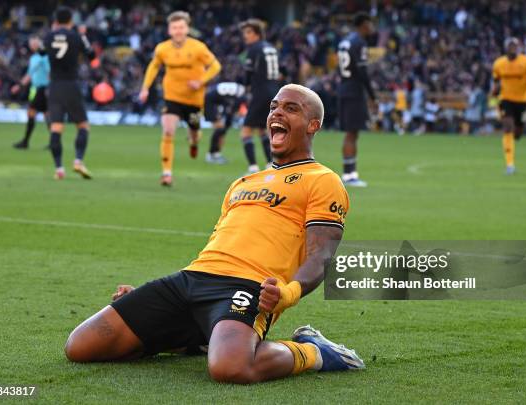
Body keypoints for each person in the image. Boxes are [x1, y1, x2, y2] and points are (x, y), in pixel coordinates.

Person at [64, 84, 364, 383]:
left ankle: (313, 352)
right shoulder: (242, 182)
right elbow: (220, 245)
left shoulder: (323, 180)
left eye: (291, 108)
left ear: (313, 125)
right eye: (274, 106)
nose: (277, 113)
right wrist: (147, 302)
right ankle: (195, 337)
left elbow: (322, 254)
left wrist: (289, 293)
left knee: (230, 368)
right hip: (192, 279)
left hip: (249, 286)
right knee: (81, 346)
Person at [139, 11, 221, 186]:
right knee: (168, 130)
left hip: (194, 100)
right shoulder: (162, 48)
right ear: (169, 30)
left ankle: (193, 142)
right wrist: (145, 88)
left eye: (181, 27)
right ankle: (167, 173)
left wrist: (201, 81)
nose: (178, 31)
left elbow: (215, 66)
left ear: (187, 28)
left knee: (194, 134)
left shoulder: (198, 47)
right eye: (174, 27)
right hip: (172, 97)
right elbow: (153, 67)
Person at [45, 6, 95, 180]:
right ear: (71, 21)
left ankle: (59, 169)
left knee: (56, 128)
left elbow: (44, 51)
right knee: (83, 125)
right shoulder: (76, 37)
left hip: (55, 86)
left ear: (56, 21)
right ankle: (78, 161)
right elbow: (92, 56)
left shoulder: (48, 37)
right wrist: (82, 35)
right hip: (71, 85)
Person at [337, 12, 376, 187]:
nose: (372, 28)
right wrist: (372, 96)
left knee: (352, 133)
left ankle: (349, 173)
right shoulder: (359, 42)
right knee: (352, 133)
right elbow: (363, 73)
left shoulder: (344, 41)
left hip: (344, 87)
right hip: (354, 90)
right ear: (363, 24)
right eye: (370, 24)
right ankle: (349, 175)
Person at [491, 37, 526, 175]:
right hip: (506, 99)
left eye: (515, 46)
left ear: (518, 47)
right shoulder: (499, 64)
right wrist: (494, 93)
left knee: (518, 133)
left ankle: (516, 137)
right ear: (506, 48)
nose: (512, 48)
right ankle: (510, 164)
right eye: (510, 46)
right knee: (507, 127)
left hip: (522, 100)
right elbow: (496, 83)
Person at [239, 19, 280, 174]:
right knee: (264, 130)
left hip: (260, 92)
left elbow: (248, 74)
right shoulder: (271, 48)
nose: (245, 36)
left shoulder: (254, 49)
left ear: (257, 33)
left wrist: (246, 86)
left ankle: (252, 167)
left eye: (248, 32)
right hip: (274, 91)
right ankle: (271, 164)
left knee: (246, 130)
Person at [11, 36, 50, 150]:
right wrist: (19, 86)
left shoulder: (44, 57)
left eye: (35, 43)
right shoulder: (34, 58)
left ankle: (26, 142)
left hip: (43, 89)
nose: (32, 45)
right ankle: (53, 142)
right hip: (36, 89)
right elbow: (29, 75)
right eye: (31, 43)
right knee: (46, 115)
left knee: (34, 113)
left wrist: (51, 87)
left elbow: (50, 72)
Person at [204, 81, 246, 164]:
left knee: (222, 130)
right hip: (211, 102)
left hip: (214, 100)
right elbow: (232, 108)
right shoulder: (241, 94)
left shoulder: (239, 90)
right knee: (219, 129)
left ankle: (216, 154)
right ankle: (211, 154)